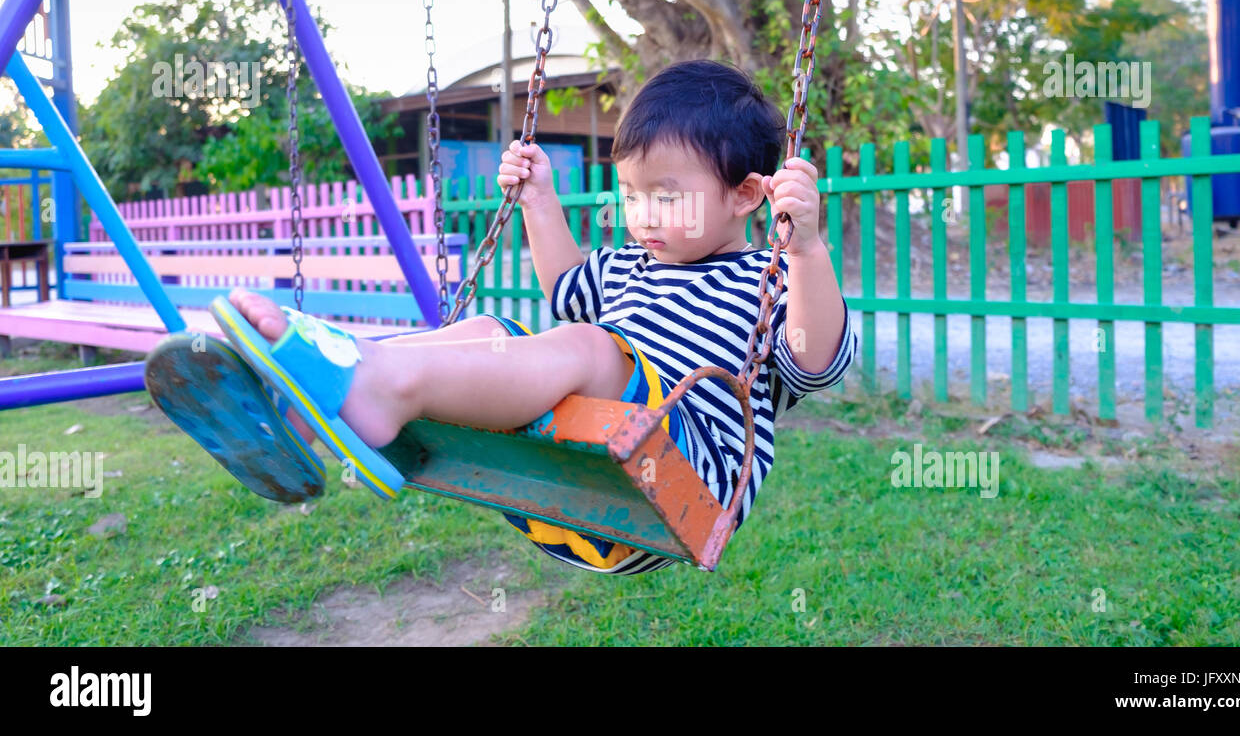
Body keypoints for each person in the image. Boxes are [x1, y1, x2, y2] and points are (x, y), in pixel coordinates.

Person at [224, 59, 858, 574]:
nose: (641, 216)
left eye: (665, 196)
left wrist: (805, 249)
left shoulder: (769, 280)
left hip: (678, 480)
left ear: (746, 194)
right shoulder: (629, 266)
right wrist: (538, 199)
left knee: (587, 346)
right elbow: (565, 287)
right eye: (632, 195)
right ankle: (317, 407)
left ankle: (374, 385)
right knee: (492, 331)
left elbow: (816, 361)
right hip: (568, 484)